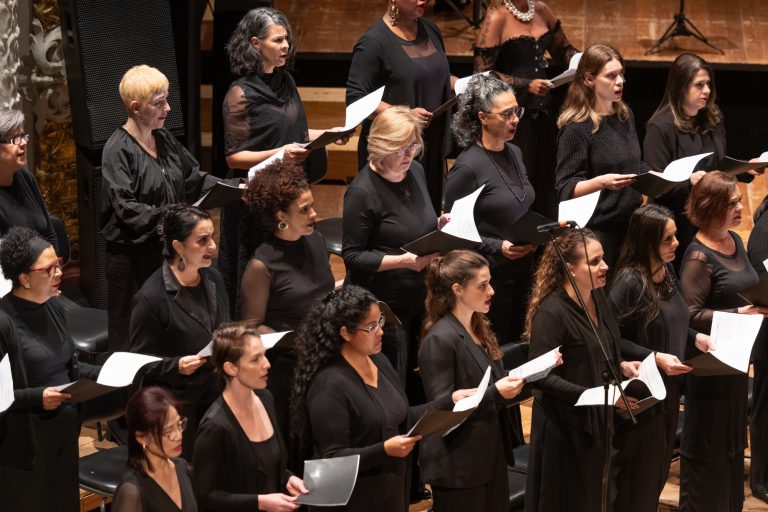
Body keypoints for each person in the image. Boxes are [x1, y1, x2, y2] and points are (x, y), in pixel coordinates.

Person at [291, 286, 474, 512]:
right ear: (345, 333)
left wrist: (449, 401)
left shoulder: (378, 361)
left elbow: (399, 416)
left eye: (380, 322)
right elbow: (333, 458)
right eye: (371, 327)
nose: (380, 332)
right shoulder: (328, 386)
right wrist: (385, 450)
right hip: (352, 502)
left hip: (389, 489)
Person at [218, 7, 344, 317]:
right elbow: (234, 157)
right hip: (256, 199)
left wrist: (329, 134)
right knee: (262, 281)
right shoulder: (239, 93)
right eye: (277, 40)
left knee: (292, 280)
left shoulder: (285, 80)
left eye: (286, 39)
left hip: (288, 191)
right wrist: (280, 153)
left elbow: (296, 134)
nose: (286, 45)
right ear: (256, 43)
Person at [102, 64, 225, 352]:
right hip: (133, 260)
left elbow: (194, 179)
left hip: (165, 250)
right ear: (136, 107)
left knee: (167, 333)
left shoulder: (164, 138)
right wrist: (174, 216)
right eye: (159, 103)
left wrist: (235, 186)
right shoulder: (117, 149)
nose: (168, 108)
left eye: (167, 100)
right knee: (133, 339)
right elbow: (128, 209)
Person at [523, 228, 641, 511]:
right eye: (594, 262)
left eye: (603, 258)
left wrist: (621, 365)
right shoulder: (552, 313)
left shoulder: (598, 297)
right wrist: (594, 395)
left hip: (597, 420)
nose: (605, 266)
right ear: (570, 269)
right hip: (564, 427)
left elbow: (599, 348)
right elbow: (539, 378)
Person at [609, 204, 714, 511]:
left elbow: (675, 319)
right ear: (647, 241)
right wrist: (655, 357)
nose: (676, 243)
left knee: (656, 474)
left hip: (668, 393)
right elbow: (610, 338)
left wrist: (695, 338)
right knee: (637, 480)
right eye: (668, 239)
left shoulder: (666, 272)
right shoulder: (629, 282)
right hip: (641, 398)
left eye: (675, 235)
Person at [419, 250, 536, 512]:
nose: (491, 291)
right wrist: (497, 392)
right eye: (482, 285)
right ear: (458, 289)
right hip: (458, 464)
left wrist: (535, 375)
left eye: (490, 282)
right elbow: (443, 409)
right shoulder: (439, 339)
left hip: (488, 454)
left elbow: (493, 383)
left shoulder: (478, 326)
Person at [678, 171, 767, 511]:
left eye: (739, 201)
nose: (741, 208)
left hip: (735, 358)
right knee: (710, 447)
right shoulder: (698, 257)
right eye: (732, 203)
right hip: (710, 365)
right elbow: (688, 314)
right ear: (711, 207)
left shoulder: (735, 241)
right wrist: (739, 312)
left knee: (732, 445)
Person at [342, 106, 445, 391]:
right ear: (381, 146)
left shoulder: (416, 172)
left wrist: (438, 222)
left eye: (413, 146)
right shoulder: (362, 192)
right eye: (401, 148)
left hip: (421, 295)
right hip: (385, 306)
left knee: (419, 379)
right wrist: (403, 261)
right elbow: (353, 257)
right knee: (393, 383)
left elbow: (413, 219)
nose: (409, 155)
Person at [0, 227, 100, 512]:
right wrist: (38, 397)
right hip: (26, 445)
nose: (59, 273)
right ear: (24, 278)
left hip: (63, 434)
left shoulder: (52, 307)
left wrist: (107, 374)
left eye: (59, 264)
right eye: (49, 269)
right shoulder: (3, 322)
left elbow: (67, 365)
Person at [240, 161, 334, 457]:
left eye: (312, 206)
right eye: (304, 210)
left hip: (324, 354)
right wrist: (295, 339)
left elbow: (320, 290)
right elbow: (252, 326)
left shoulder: (316, 240)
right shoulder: (262, 265)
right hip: (288, 368)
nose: (314, 214)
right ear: (281, 216)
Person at [644, 53, 763, 270]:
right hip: (676, 222)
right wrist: (688, 181)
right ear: (681, 87)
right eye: (699, 85)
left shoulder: (713, 118)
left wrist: (747, 169)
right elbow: (656, 185)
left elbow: (717, 166)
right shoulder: (660, 127)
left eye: (708, 84)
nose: (707, 90)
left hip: (709, 216)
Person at [130, 205, 229, 458]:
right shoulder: (151, 297)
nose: (212, 246)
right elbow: (139, 363)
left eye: (212, 237)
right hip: (180, 409)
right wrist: (176, 366)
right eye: (202, 240)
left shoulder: (214, 278)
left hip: (218, 396)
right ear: (178, 246)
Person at [446, 73, 535, 344]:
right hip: (489, 277)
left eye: (517, 111)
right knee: (497, 347)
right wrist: (498, 246)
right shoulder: (467, 167)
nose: (515, 119)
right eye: (506, 114)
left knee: (520, 343)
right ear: (483, 117)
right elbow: (451, 230)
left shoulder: (515, 152)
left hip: (522, 269)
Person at [346, 0, 455, 213]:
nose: (423, 0)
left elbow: (433, 75)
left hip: (430, 144)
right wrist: (404, 114)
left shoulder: (431, 29)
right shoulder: (373, 42)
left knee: (427, 218)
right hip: (395, 150)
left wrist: (457, 84)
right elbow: (356, 99)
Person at [474, 0, 579, 218]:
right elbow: (482, 75)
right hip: (512, 119)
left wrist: (585, 60)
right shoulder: (496, 15)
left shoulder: (542, 10)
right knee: (521, 181)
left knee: (545, 180)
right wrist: (526, 85)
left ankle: (544, 235)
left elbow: (563, 52)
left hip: (542, 114)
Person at [193, 321, 308, 511]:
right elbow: (205, 497)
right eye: (255, 359)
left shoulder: (266, 398)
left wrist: (288, 478)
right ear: (231, 368)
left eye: (264, 354)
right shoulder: (215, 427)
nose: (267, 364)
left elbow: (269, 464)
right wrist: (260, 502)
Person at [555, 44, 649, 268]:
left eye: (621, 74)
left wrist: (655, 176)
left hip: (632, 224)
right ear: (589, 79)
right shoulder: (576, 128)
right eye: (611, 76)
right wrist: (601, 182)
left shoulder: (625, 115)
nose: (620, 81)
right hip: (599, 232)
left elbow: (632, 163)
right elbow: (566, 187)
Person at [112, 387, 198, 512]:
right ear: (141, 437)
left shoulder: (184, 468)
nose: (178, 436)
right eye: (168, 431)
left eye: (179, 424)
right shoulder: (132, 491)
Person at [0, 110, 57, 249]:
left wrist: (53, 261)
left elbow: (50, 233)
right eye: (14, 139)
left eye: (23, 136)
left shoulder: (26, 178)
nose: (24, 143)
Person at [747, 195, 768, 504]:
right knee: (765, 408)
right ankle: (761, 478)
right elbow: (763, 281)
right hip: (766, 334)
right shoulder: (765, 230)